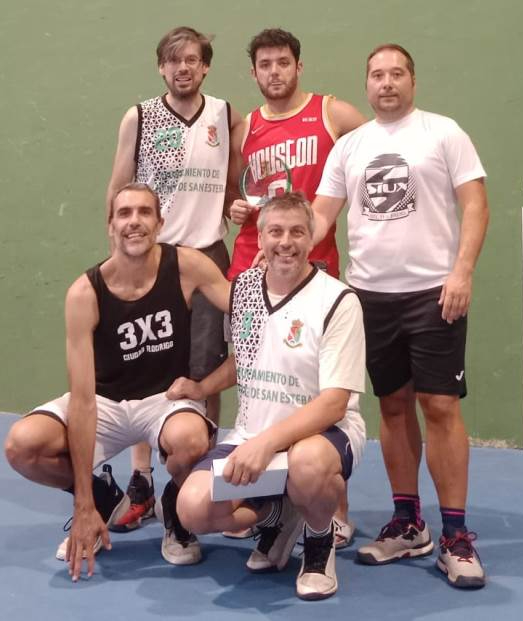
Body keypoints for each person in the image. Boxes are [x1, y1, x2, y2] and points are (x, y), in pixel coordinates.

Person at [311, 44, 490, 589]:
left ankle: (456, 534)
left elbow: (476, 204)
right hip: (370, 297)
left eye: (396, 74)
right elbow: (322, 214)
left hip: (435, 293)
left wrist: (461, 273)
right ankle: (409, 522)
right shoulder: (350, 146)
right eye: (377, 75)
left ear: (412, 80)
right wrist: (281, 245)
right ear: (365, 84)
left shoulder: (443, 132)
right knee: (393, 407)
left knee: (439, 407)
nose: (386, 83)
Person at [3, 183, 231, 580]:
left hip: (165, 401)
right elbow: (83, 399)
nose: (134, 222)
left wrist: (205, 387)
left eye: (144, 212)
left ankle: (175, 514)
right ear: (110, 226)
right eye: (124, 214)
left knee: (191, 440)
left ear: (160, 224)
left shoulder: (188, 266)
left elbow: (252, 316)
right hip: (104, 403)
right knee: (23, 446)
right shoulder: (84, 293)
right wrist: (83, 504)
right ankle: (106, 499)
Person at [168, 193, 367, 601]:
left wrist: (266, 444)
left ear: (312, 239)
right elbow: (246, 355)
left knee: (307, 465)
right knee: (193, 507)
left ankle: (317, 542)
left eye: (297, 231)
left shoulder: (339, 301)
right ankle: (278, 513)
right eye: (275, 231)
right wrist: (202, 388)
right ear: (260, 238)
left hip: (324, 436)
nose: (286, 241)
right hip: (252, 435)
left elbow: (333, 403)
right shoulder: (243, 288)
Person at [226, 27, 366, 548]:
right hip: (254, 272)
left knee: (321, 390)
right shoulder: (245, 129)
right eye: (265, 65)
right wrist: (235, 210)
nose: (275, 72)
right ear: (254, 72)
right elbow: (234, 196)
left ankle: (332, 510)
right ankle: (268, 506)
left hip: (314, 273)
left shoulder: (333, 113)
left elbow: (375, 149)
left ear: (298, 66)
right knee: (264, 381)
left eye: (283, 62)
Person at [104, 26, 243, 531]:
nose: (182, 67)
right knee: (147, 371)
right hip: (152, 261)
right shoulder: (139, 116)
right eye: (173, 60)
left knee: (205, 374)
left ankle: (198, 480)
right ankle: (141, 480)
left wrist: (239, 207)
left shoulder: (226, 116)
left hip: (207, 256)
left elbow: (233, 185)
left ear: (205, 66)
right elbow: (119, 187)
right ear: (161, 68)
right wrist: (119, 260)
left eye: (191, 60)